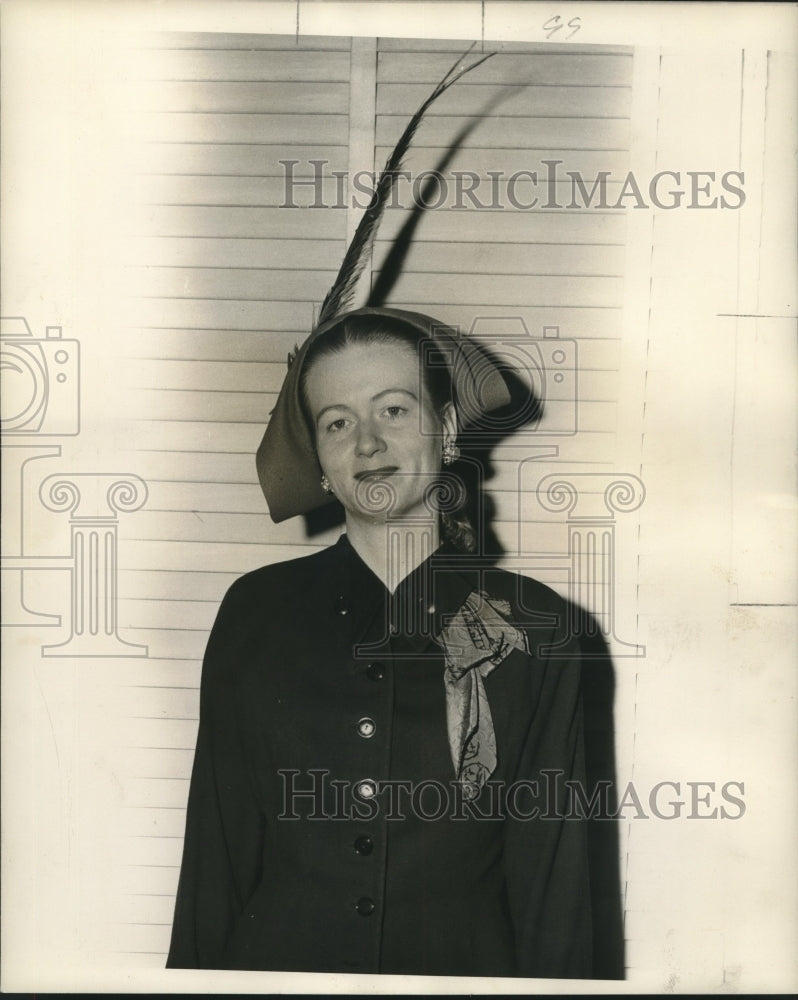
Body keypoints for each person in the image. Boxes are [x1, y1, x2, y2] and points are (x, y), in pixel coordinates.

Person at [166, 50, 595, 980]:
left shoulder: (549, 633)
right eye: (337, 421)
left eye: (393, 410)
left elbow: (560, 892)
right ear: (318, 456)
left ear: (443, 428)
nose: (367, 442)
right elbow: (215, 858)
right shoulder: (254, 613)